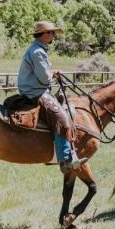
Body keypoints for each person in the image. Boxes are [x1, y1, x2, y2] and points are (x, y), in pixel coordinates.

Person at [17, 20, 81, 173]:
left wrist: (52, 73)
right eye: (51, 32)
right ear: (44, 34)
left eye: (53, 32)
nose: (53, 35)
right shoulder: (37, 52)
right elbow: (44, 78)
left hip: (35, 90)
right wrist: (52, 74)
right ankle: (65, 159)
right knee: (62, 119)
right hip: (35, 92)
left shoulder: (38, 50)